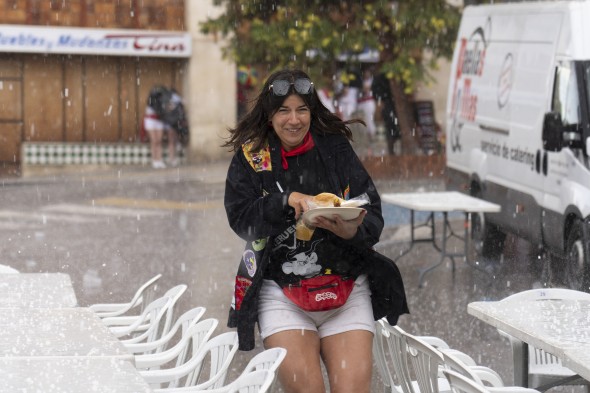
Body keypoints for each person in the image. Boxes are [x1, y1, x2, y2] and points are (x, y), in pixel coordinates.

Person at [223, 69, 409, 393]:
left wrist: (350, 228)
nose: (293, 120)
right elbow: (240, 217)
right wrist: (285, 201)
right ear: (269, 114)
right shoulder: (254, 157)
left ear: (312, 111)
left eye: (301, 109)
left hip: (346, 289)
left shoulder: (334, 148)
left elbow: (372, 211)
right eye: (283, 110)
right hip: (281, 292)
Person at [371, 72, 401, 155]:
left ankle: (393, 152)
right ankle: (392, 152)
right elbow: (377, 95)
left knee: (392, 129)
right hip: (389, 105)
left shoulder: (384, 76)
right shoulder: (381, 77)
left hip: (392, 105)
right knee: (391, 129)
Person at [144, 86, 168, 169]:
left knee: (159, 141)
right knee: (154, 140)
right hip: (151, 121)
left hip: (159, 121)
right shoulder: (151, 102)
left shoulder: (162, 101)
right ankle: (154, 160)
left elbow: (162, 111)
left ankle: (159, 159)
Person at [357, 69, 377, 140]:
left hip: (368, 102)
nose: (366, 74)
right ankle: (367, 137)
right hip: (361, 102)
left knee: (369, 119)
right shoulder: (362, 81)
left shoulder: (372, 81)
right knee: (363, 120)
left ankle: (372, 136)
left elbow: (366, 89)